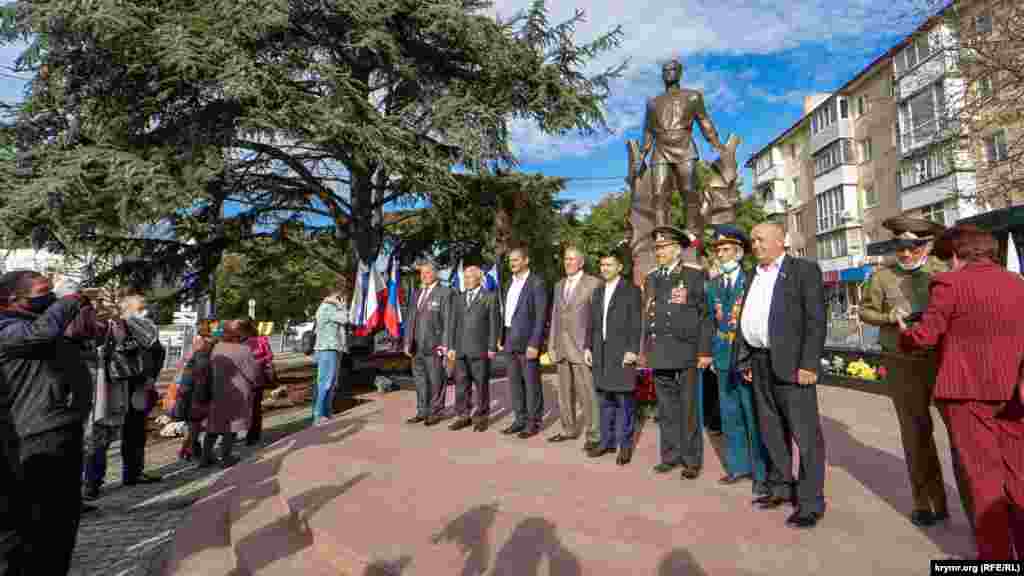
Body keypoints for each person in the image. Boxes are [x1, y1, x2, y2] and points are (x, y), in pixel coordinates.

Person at [899, 224, 1024, 560]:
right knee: (1018, 476)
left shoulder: (949, 283)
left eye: (948, 258)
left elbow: (926, 336)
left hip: (967, 394)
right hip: (1012, 394)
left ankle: (996, 559)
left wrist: (905, 333)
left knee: (983, 482)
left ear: (958, 255)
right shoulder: (1017, 283)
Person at [0, 271, 106, 575]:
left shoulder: (36, 322)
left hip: (55, 430)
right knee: (41, 526)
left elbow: (83, 337)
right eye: (44, 292)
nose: (52, 297)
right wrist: (69, 300)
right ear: (13, 299)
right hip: (35, 436)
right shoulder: (7, 327)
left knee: (58, 525)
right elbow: (40, 335)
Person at [734, 222, 827, 529]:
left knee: (805, 436)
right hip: (760, 363)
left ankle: (811, 502)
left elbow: (815, 321)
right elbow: (748, 319)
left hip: (793, 365)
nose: (755, 244)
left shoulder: (803, 270)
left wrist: (810, 365)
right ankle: (781, 488)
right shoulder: (752, 275)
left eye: (760, 239)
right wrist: (745, 359)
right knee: (771, 430)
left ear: (779, 241)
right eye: (752, 240)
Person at [859, 217, 951, 527]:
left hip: (943, 360)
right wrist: (887, 315)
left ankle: (974, 505)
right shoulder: (882, 277)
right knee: (915, 434)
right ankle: (925, 502)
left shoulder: (943, 272)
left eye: (913, 247)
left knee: (961, 436)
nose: (906, 254)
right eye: (900, 247)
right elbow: (864, 310)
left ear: (926, 245)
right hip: (903, 362)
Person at [634, 59, 727, 266]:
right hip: (660, 148)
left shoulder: (692, 96)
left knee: (689, 191)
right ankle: (662, 238)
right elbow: (648, 131)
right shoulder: (653, 102)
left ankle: (692, 235)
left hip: (684, 145)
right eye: (665, 70)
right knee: (658, 195)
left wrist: (716, 143)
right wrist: (642, 155)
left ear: (680, 73)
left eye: (672, 70)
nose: (669, 73)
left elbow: (704, 121)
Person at [642, 226, 713, 480]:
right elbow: (647, 316)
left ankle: (691, 460)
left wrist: (705, 351)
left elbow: (706, 317)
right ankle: (669, 456)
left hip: (686, 352)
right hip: (660, 353)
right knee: (667, 410)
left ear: (676, 249)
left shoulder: (694, 275)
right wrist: (645, 352)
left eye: (663, 248)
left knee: (689, 410)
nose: (658, 252)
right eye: (657, 248)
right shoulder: (651, 278)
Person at [706, 225, 769, 494]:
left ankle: (761, 472)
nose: (722, 254)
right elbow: (710, 320)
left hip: (745, 359)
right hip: (722, 357)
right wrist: (708, 353)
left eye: (727, 249)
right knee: (729, 414)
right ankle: (736, 467)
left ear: (740, 253)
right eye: (719, 250)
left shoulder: (752, 280)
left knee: (752, 414)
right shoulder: (714, 284)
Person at [584, 248, 642, 465]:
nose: (604, 268)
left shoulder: (631, 290)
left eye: (609, 265)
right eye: (602, 265)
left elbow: (636, 323)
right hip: (600, 352)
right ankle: (606, 442)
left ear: (619, 267)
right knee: (604, 400)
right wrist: (588, 347)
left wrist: (632, 350)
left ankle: (625, 446)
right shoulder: (597, 292)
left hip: (622, 354)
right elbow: (591, 323)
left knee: (624, 401)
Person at [547, 246, 601, 449]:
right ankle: (568, 429)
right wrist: (551, 345)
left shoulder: (594, 284)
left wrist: (592, 347)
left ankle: (594, 435)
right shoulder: (558, 285)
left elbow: (596, 320)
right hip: (561, 347)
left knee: (587, 394)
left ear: (581, 262)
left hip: (581, 348)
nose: (567, 262)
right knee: (564, 394)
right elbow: (554, 317)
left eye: (571, 259)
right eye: (565, 259)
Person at [109, 294, 165, 488]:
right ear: (127, 310)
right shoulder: (119, 328)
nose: (145, 311)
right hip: (125, 385)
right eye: (140, 308)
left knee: (136, 429)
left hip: (141, 386)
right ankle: (95, 481)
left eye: (145, 307)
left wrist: (151, 377)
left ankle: (134, 471)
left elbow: (157, 354)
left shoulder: (147, 329)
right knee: (122, 430)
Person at [201, 321, 267, 467]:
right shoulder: (244, 350)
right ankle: (225, 457)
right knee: (231, 428)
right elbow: (253, 373)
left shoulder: (216, 348)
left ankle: (205, 457)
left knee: (213, 427)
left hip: (217, 391)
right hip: (237, 393)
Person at [446, 255, 501, 432]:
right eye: (465, 277)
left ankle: (482, 417)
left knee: (481, 384)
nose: (467, 280)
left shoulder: (489, 297)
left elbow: (494, 324)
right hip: (460, 350)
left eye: (470, 277)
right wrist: (451, 347)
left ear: (478, 279)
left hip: (480, 349)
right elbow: (453, 324)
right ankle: (463, 415)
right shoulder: (459, 298)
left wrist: (492, 347)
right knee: (461, 385)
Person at [500, 245, 548, 439]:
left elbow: (540, 316)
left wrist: (535, 343)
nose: (512, 263)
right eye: (510, 261)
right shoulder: (508, 283)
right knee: (515, 384)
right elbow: (506, 313)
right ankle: (519, 419)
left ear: (526, 261)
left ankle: (533, 422)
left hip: (528, 341)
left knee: (531, 383)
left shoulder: (536, 283)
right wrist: (501, 338)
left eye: (516, 260)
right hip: (510, 339)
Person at [404, 260, 452, 427]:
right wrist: (407, 342)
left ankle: (435, 412)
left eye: (428, 273)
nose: (424, 276)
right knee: (420, 380)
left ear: (436, 274)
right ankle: (422, 411)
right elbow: (410, 319)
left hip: (435, 345)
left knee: (436, 380)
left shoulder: (445, 293)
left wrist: (445, 345)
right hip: (416, 346)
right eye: (422, 273)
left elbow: (448, 321)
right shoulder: (416, 293)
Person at [313, 279, 351, 426]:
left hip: (333, 347)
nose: (342, 299)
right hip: (327, 348)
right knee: (325, 382)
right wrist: (342, 305)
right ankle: (318, 414)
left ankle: (327, 412)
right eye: (341, 296)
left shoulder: (330, 306)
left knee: (332, 382)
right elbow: (345, 318)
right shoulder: (328, 306)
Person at [238, 319, 274, 444]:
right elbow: (269, 356)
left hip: (249, 378)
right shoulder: (260, 340)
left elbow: (268, 356)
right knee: (254, 407)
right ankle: (253, 434)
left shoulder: (251, 342)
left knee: (251, 407)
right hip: (254, 377)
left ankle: (251, 435)